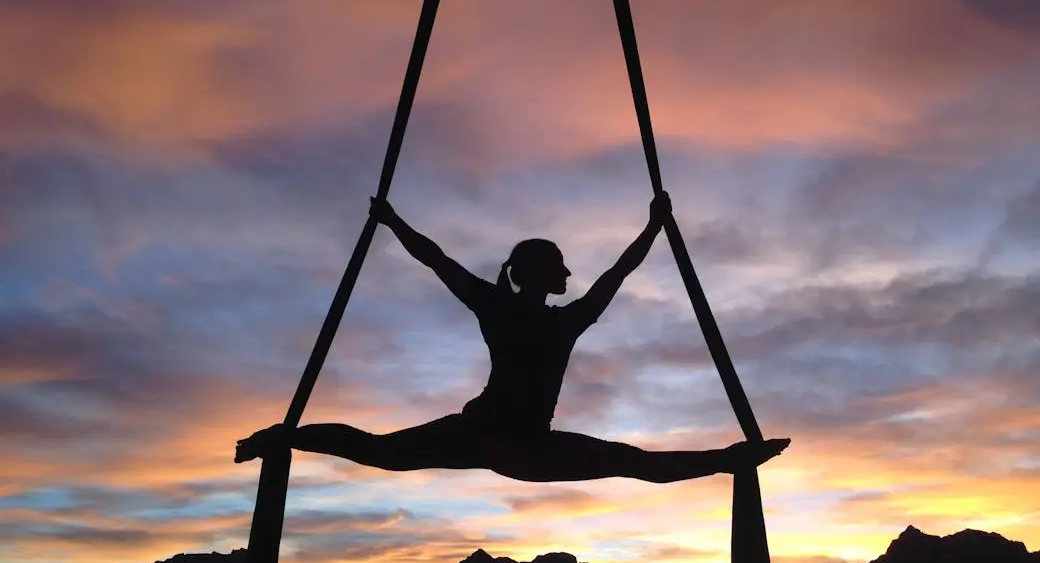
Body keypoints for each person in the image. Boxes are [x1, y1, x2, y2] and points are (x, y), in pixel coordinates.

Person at [236, 193, 789, 483]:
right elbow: (616, 274)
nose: (570, 276)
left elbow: (438, 260)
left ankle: (282, 437)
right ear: (542, 275)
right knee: (635, 463)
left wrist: (391, 221)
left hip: (497, 437)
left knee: (380, 451)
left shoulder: (505, 307)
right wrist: (653, 228)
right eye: (562, 268)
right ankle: (732, 459)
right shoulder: (555, 320)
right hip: (512, 442)